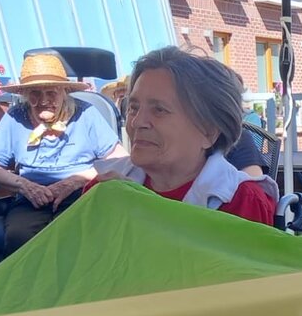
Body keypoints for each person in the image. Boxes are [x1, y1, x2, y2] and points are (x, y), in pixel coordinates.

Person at [91, 47, 275, 225]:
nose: (137, 122)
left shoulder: (242, 201)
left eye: (159, 110)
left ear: (208, 132)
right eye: (133, 108)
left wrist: (141, 207)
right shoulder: (106, 185)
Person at [0, 52, 122, 255]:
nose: (44, 100)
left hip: (80, 194)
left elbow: (119, 159)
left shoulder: (86, 114)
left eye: (51, 93)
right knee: (19, 238)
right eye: (35, 93)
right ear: (25, 95)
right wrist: (25, 186)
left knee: (75, 236)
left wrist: (74, 181)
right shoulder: (15, 117)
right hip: (31, 199)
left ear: (64, 92)